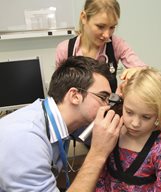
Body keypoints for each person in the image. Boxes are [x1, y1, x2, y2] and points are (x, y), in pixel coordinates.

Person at [0, 56, 123, 192]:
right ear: (75, 96)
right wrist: (98, 153)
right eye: (103, 98)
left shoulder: (51, 116)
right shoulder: (25, 140)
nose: (107, 106)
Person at [95, 67, 161, 191]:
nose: (135, 123)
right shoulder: (112, 132)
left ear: (160, 113)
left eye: (146, 117)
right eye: (129, 112)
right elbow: (99, 174)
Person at [55, 0, 147, 93]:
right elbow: (59, 91)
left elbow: (148, 73)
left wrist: (139, 72)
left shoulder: (117, 44)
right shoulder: (65, 49)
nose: (107, 35)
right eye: (100, 26)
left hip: (108, 106)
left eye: (112, 27)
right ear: (84, 17)